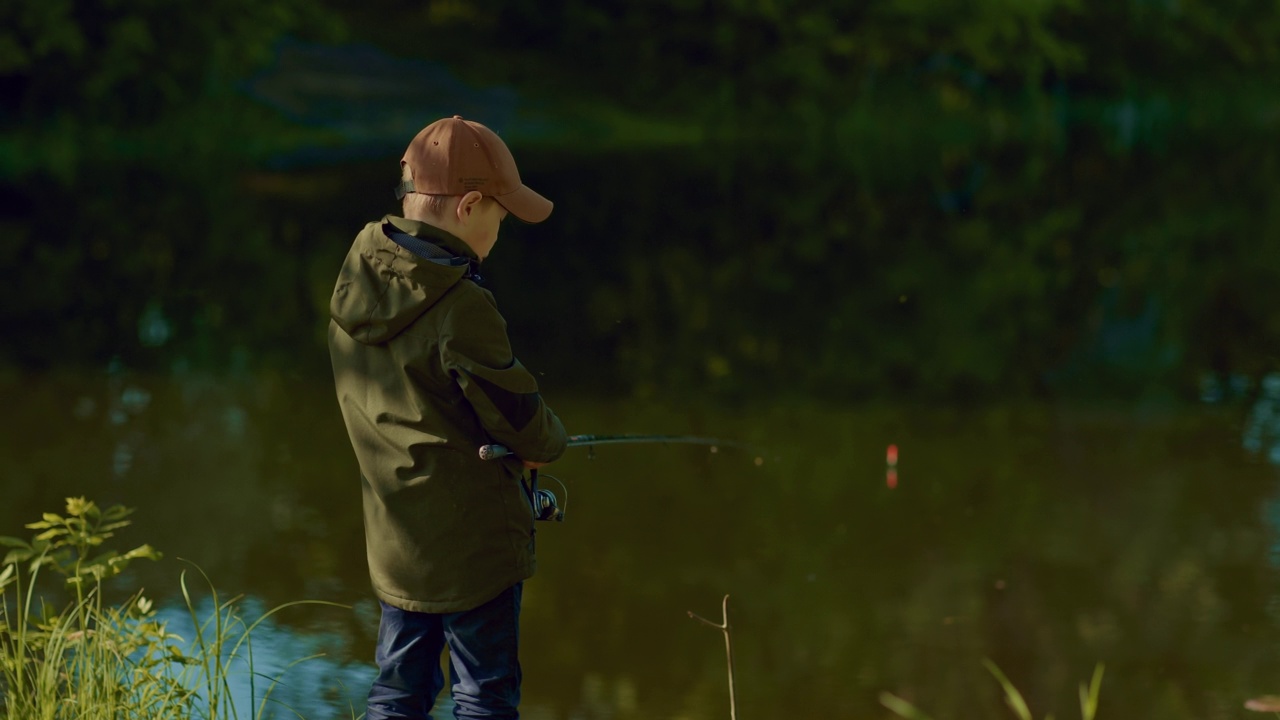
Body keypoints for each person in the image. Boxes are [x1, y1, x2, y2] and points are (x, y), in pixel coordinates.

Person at [327, 115, 568, 719]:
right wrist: (550, 442)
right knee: (483, 698)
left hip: (396, 539)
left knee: (398, 691)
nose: (503, 224)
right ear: (468, 206)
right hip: (475, 554)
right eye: (501, 211)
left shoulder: (358, 276)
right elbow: (523, 422)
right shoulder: (463, 306)